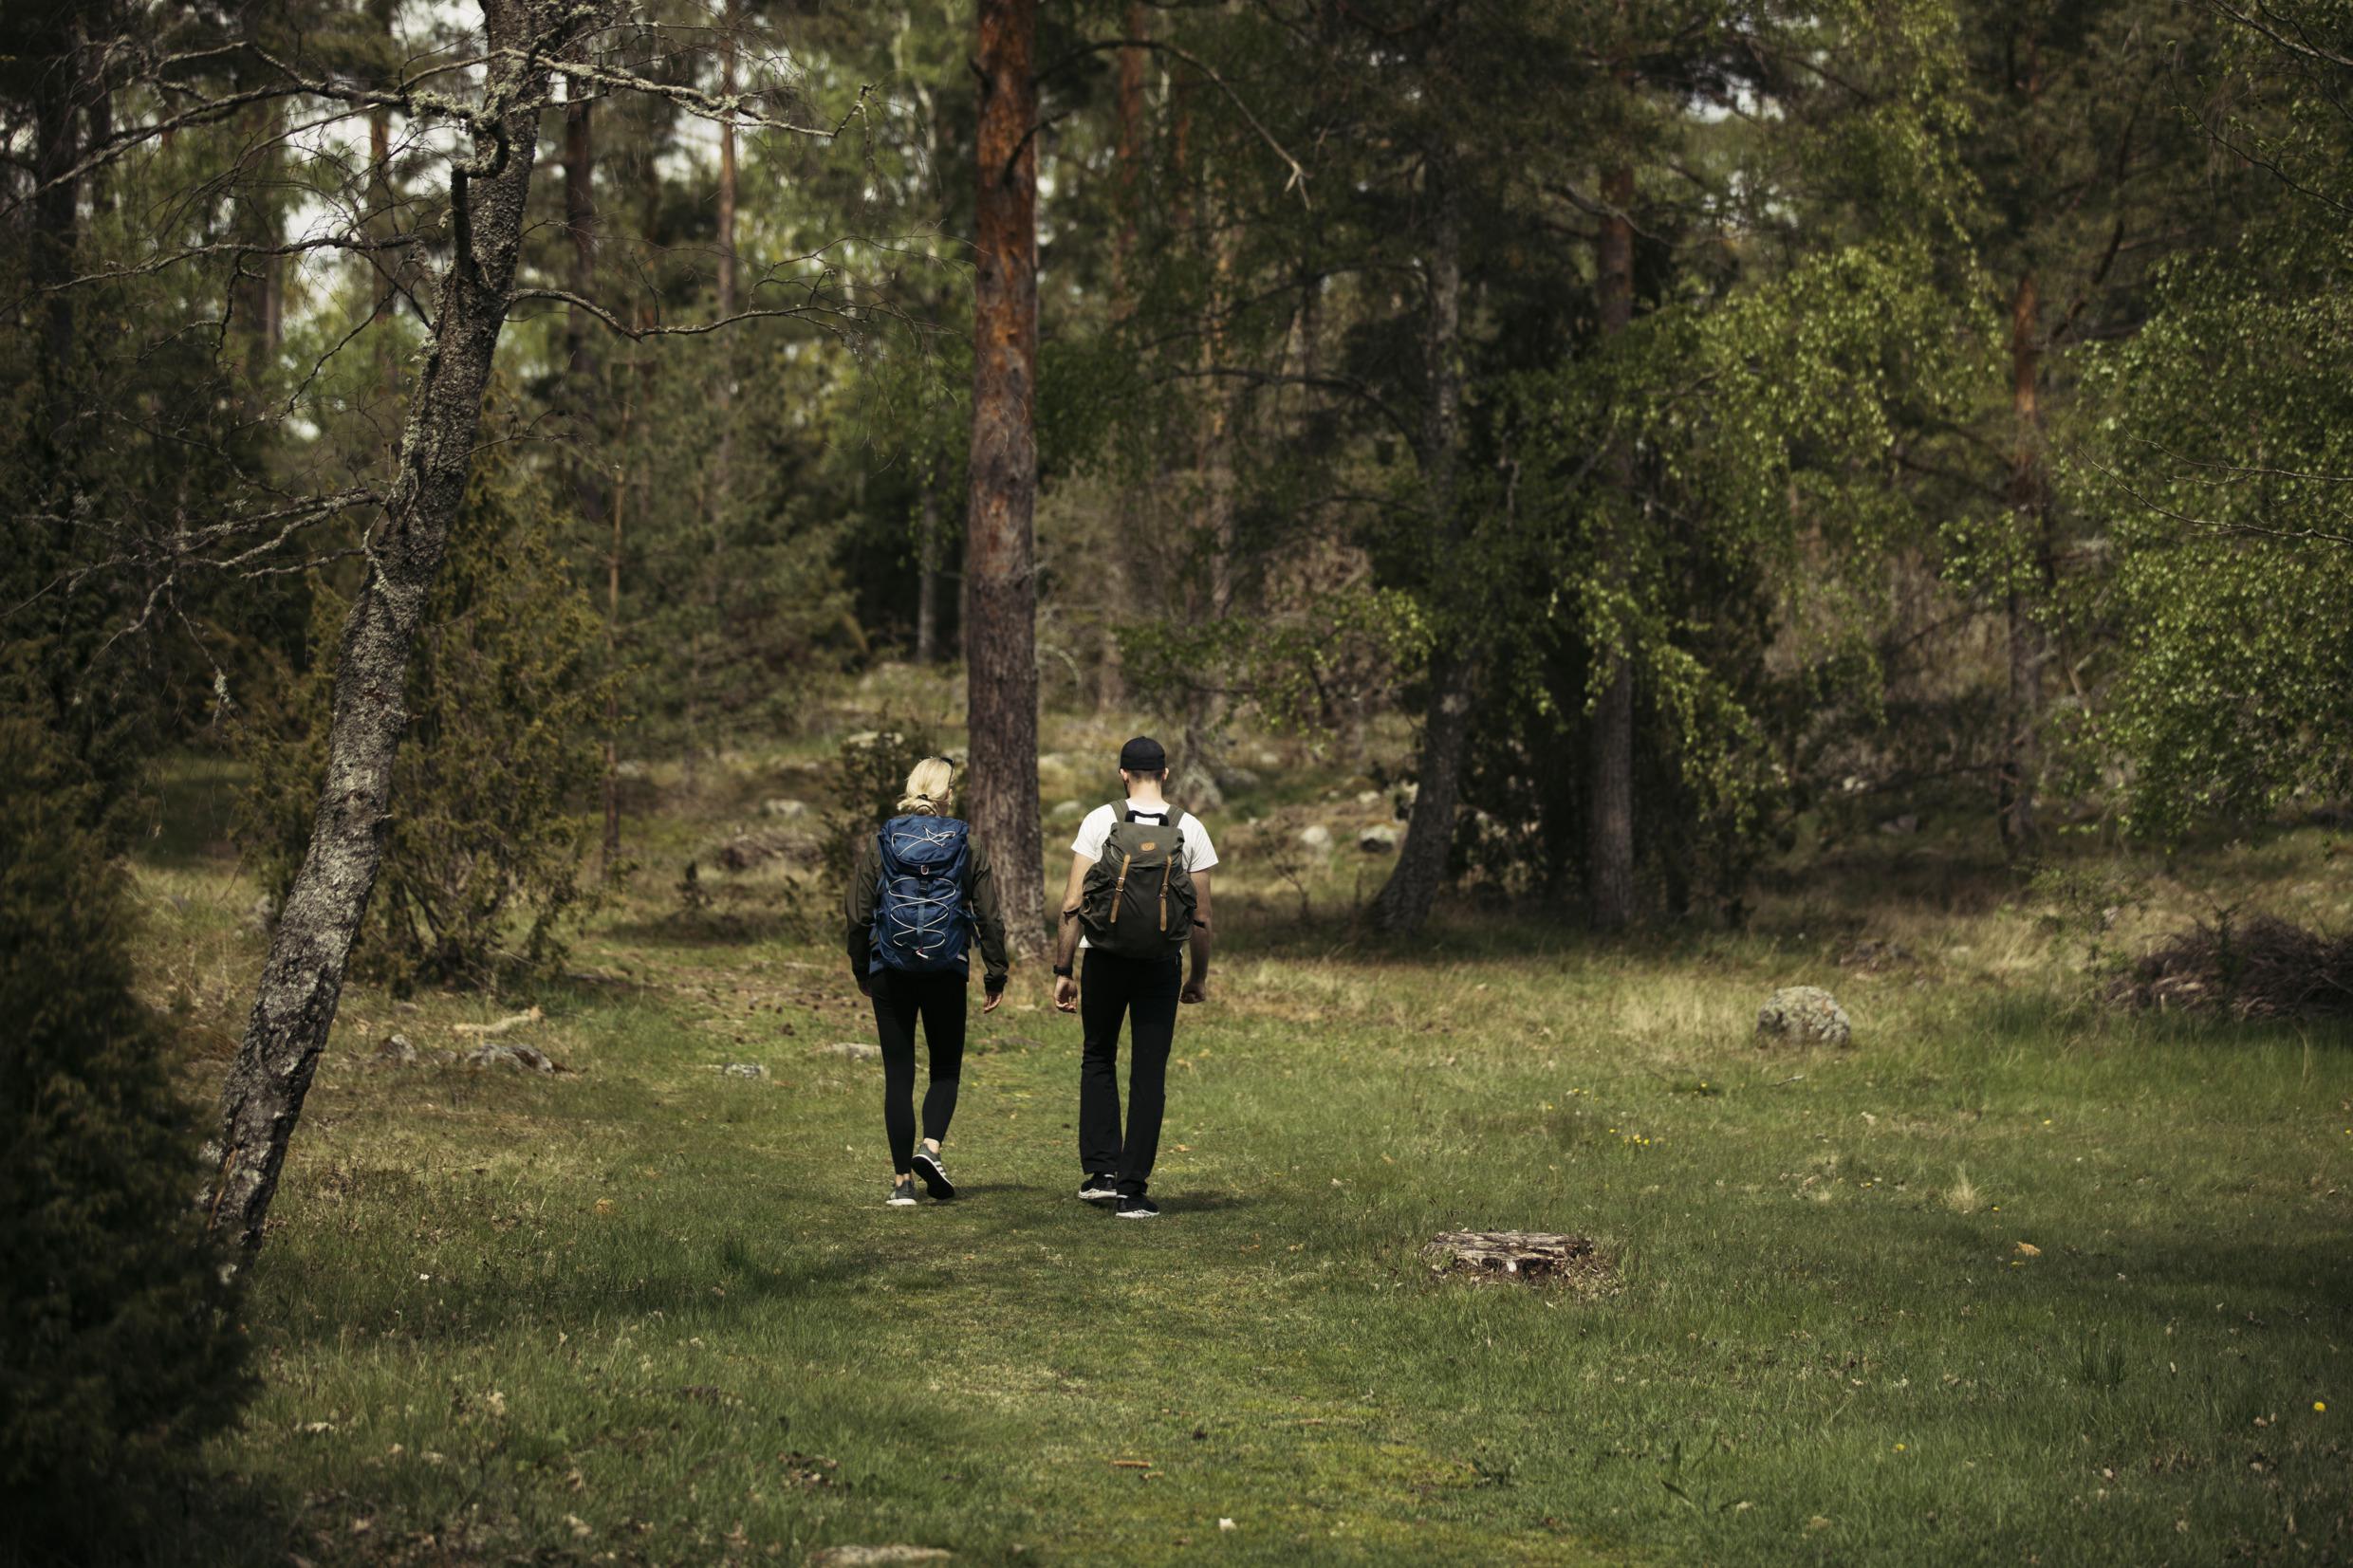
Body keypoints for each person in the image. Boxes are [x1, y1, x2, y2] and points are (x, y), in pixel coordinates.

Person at [1051, 736, 1217, 1220]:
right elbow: (1202, 917)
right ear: (1165, 773)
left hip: (1103, 958)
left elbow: (1071, 903)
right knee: (1149, 1072)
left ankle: (1100, 1173)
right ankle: (1132, 1190)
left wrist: (1064, 970)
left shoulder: (1100, 820)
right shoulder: (1191, 828)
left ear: (1123, 773)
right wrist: (1198, 977)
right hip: (1161, 966)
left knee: (1098, 1056)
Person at [844, 756, 1009, 1207]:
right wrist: (996, 972)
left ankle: (901, 1183)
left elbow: (858, 913)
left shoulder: (884, 839)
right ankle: (930, 1148)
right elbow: (989, 914)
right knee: (946, 1068)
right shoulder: (967, 842)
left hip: (889, 968)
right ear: (946, 795)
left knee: (898, 1074)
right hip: (946, 968)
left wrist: (863, 968)